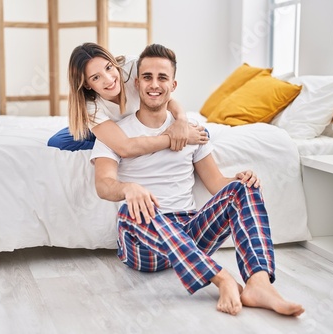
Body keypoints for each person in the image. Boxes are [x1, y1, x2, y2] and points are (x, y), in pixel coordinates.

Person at [90, 44, 305, 317]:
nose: (154, 85)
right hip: (143, 245)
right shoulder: (116, 135)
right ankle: (222, 278)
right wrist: (128, 188)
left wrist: (240, 180)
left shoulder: (193, 131)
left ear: (173, 84)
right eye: (147, 77)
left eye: (162, 78)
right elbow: (104, 184)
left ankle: (259, 284)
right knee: (131, 211)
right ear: (136, 83)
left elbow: (216, 183)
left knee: (244, 188)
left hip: (191, 232)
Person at [47, 42, 209, 155]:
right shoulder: (90, 106)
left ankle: (125, 141)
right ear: (87, 84)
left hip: (141, 123)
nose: (109, 79)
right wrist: (168, 139)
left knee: (201, 132)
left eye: (109, 68)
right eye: (96, 77)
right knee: (58, 141)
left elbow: (165, 100)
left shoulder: (132, 67)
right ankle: (112, 142)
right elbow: (125, 149)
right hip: (108, 128)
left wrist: (181, 121)